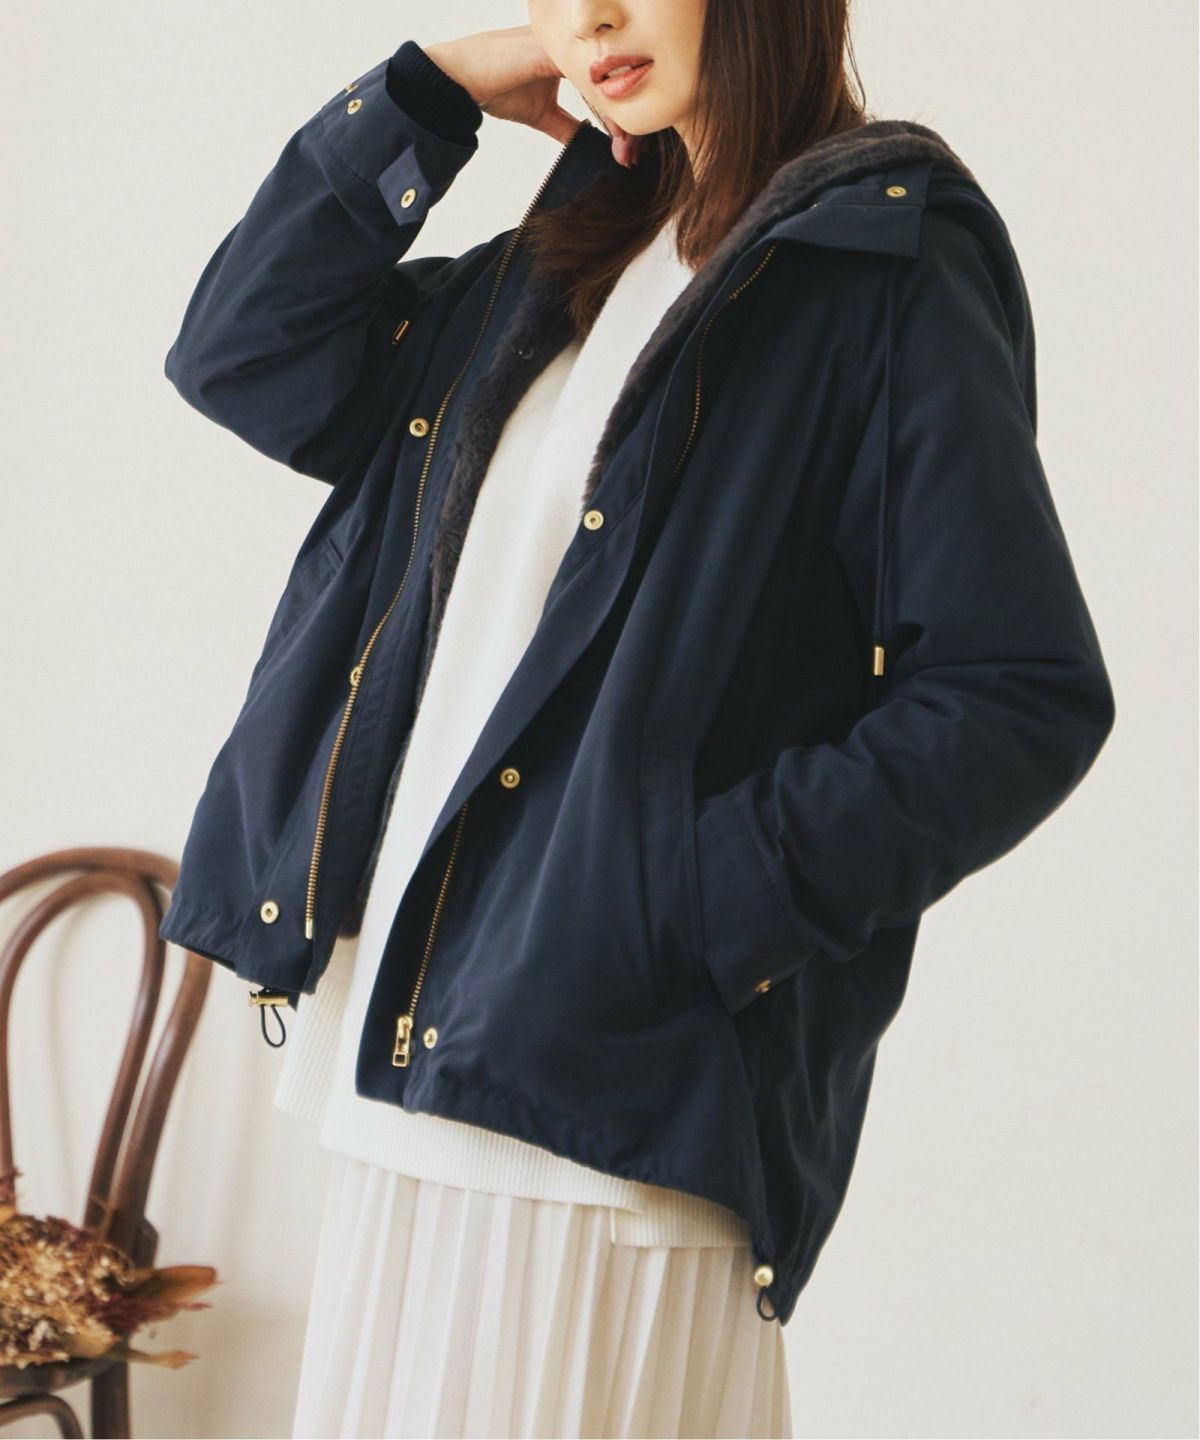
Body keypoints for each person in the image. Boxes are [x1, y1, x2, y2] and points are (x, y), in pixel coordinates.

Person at [158, 3, 1116, 1437]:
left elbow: (1016, 691)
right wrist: (433, 91)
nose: (589, 13)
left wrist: (681, 905)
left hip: (603, 1112)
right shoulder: (555, 268)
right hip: (407, 1074)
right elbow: (242, 353)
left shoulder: (880, 267)